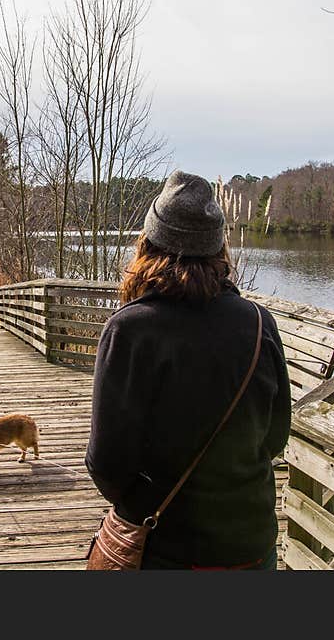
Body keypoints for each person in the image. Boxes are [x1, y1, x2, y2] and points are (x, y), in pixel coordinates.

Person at [85, 170, 291, 570]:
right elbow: (275, 435)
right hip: (249, 545)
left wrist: (143, 499)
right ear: (219, 251)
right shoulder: (258, 323)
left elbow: (106, 463)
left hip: (166, 549)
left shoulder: (131, 329)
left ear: (147, 244)